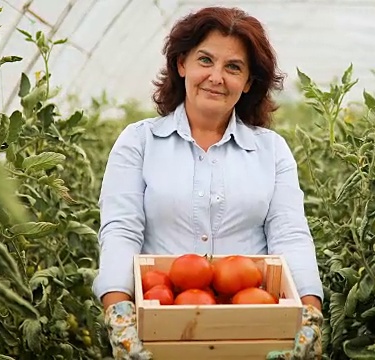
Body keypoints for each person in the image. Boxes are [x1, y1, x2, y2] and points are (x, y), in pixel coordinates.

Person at [92, 6, 324, 360]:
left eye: (233, 67)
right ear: (182, 63)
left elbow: (289, 233)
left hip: (254, 331)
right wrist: (118, 309)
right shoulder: (138, 142)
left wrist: (309, 309)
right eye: (205, 60)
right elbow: (121, 230)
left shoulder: (270, 150)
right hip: (160, 327)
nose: (217, 76)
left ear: (248, 83)